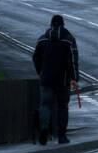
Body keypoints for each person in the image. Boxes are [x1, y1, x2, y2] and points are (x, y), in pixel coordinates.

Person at [32, 14, 79, 145]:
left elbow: (36, 57)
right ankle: (62, 136)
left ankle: (44, 129)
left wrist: (39, 72)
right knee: (62, 107)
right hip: (63, 81)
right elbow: (73, 61)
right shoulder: (68, 40)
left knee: (45, 105)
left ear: (51, 25)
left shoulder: (42, 39)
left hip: (46, 79)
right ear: (63, 25)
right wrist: (74, 78)